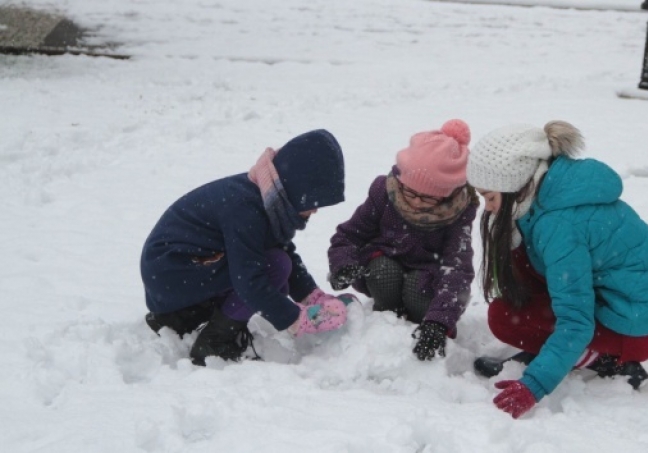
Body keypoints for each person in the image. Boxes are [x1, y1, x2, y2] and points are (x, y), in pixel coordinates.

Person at [467, 120, 648, 419]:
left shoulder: (560, 225)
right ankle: (561, 352)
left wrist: (534, 384)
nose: (487, 208)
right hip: (617, 308)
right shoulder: (547, 197)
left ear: (515, 184)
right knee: (515, 290)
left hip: (636, 329)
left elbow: (576, 320)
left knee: (506, 319)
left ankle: (606, 360)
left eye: (490, 197)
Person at [141, 129, 351, 366]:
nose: (314, 211)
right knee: (273, 268)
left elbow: (282, 248)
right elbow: (250, 281)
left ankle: (189, 316)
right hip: (173, 272)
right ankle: (214, 342)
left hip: (184, 272)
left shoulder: (266, 196)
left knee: (275, 268)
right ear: (295, 191)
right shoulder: (245, 210)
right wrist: (297, 319)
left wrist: (312, 297)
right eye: (314, 202)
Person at [327, 119, 478, 361]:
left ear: (447, 194)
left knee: (418, 288)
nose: (416, 202)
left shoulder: (458, 213)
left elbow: (457, 270)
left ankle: (419, 325)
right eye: (411, 192)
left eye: (428, 198)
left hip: (426, 277)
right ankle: (385, 317)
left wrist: (439, 323)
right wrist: (342, 265)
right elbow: (348, 235)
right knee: (383, 270)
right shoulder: (384, 193)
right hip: (383, 268)